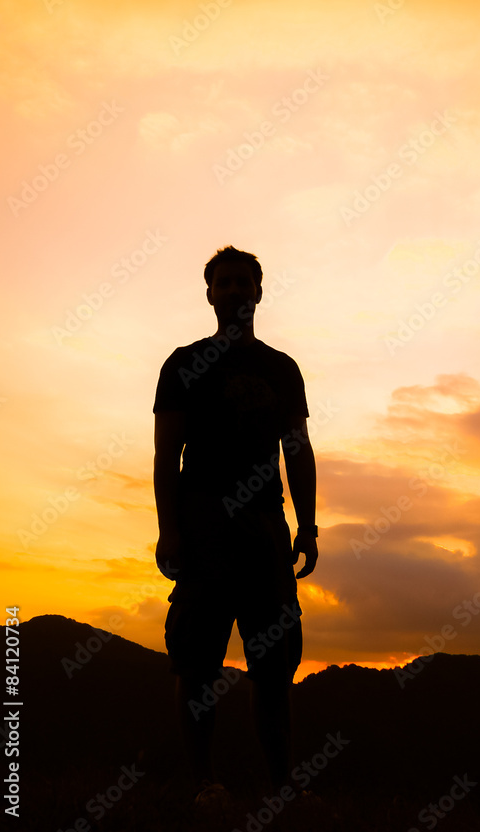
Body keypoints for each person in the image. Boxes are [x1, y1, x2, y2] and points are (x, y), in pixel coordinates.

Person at [152, 245, 317, 807]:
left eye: (243, 282)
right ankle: (206, 783)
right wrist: (169, 530)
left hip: (265, 524)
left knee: (274, 664)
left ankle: (282, 786)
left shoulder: (281, 368)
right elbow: (165, 456)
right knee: (197, 660)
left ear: (259, 291)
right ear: (209, 294)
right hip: (203, 521)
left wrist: (308, 525)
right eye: (223, 283)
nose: (234, 291)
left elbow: (297, 449)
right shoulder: (183, 364)